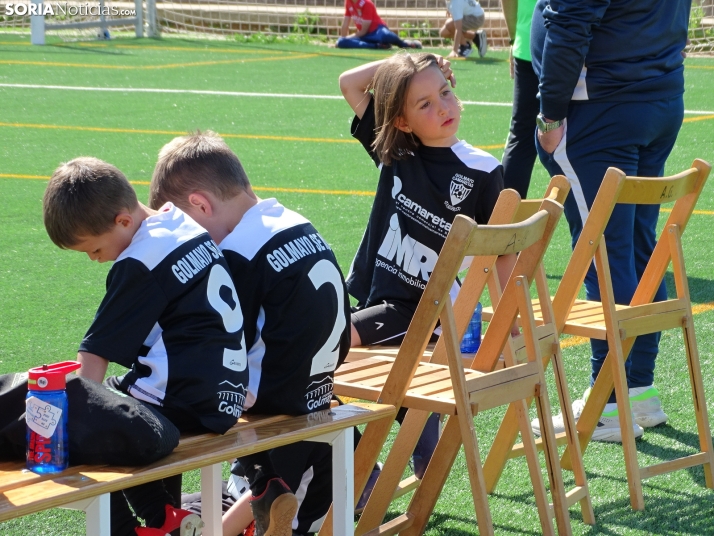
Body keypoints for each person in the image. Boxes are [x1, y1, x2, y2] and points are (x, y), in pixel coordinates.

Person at [149, 131, 352, 536]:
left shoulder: (237, 254)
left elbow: (215, 346)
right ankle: (246, 505)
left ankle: (230, 520)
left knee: (162, 400)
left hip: (272, 409)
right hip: (319, 390)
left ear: (201, 205)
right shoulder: (298, 222)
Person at [41, 156, 250, 536]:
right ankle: (169, 517)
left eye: (93, 249)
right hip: (226, 393)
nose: (93, 259)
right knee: (124, 397)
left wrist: (76, 414)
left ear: (122, 221)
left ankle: (138, 526)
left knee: (79, 429)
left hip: (182, 400)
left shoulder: (139, 260)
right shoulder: (180, 222)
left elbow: (95, 353)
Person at [338, 51, 513, 490]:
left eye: (446, 93)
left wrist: (511, 317)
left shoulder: (483, 170)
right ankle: (412, 424)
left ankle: (364, 472)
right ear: (400, 121)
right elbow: (349, 83)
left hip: (424, 314)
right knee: (303, 335)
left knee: (319, 348)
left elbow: (505, 252)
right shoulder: (397, 153)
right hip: (376, 301)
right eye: (425, 104)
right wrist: (404, 66)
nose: (443, 108)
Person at [529, 0, 689, 441]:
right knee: (636, 245)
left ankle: (611, 401)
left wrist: (550, 112)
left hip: (603, 105)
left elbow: (569, 18)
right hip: (653, 93)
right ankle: (636, 391)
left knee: (605, 250)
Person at [500, 0, 539, 198]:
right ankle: (596, 224)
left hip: (528, 43)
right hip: (580, 46)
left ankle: (504, 220)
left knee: (522, 137)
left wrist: (514, 39)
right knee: (586, 135)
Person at [336, 0, 422, 50]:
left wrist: (346, 38)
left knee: (387, 35)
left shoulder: (367, 3)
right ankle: (378, 46)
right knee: (341, 42)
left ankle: (404, 44)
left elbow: (363, 31)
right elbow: (345, 24)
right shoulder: (348, 2)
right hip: (366, 36)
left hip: (377, 31)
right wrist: (343, 39)